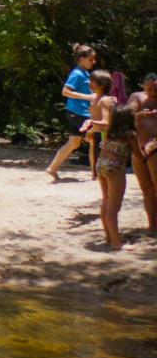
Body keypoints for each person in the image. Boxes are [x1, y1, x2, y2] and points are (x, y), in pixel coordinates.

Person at [46, 44, 100, 182]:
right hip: (79, 113)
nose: (93, 62)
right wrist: (87, 97)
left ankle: (52, 168)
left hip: (76, 112)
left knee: (74, 143)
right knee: (93, 140)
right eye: (91, 59)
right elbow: (65, 91)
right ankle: (96, 174)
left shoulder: (84, 73)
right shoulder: (77, 74)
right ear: (82, 59)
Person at [95, 74, 132, 251]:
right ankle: (117, 242)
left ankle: (109, 237)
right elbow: (139, 156)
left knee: (106, 201)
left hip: (101, 164)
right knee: (114, 207)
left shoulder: (110, 132)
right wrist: (148, 150)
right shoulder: (129, 135)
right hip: (115, 168)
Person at [130, 71, 157, 233]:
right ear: (143, 87)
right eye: (150, 90)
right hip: (138, 149)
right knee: (146, 190)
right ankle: (153, 226)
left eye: (156, 90)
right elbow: (124, 118)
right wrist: (136, 117)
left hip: (154, 148)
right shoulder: (137, 97)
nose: (153, 93)